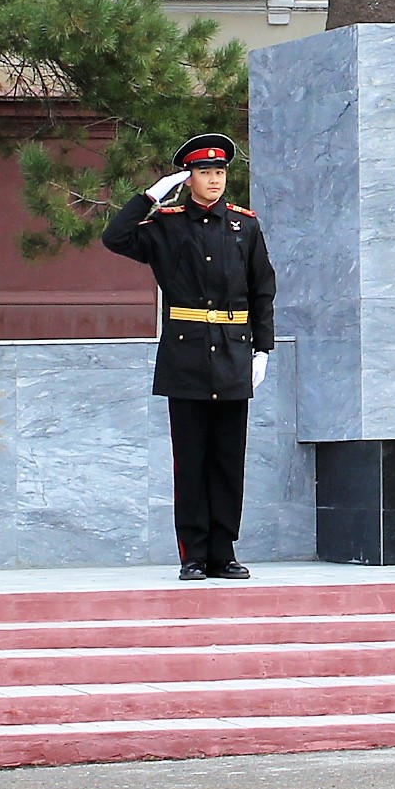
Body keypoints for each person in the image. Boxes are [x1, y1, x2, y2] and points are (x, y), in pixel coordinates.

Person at [105, 133, 277, 578]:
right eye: (204, 173)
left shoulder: (244, 226)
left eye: (219, 172)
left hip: (234, 356)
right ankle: (194, 554)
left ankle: (224, 552)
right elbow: (115, 237)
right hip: (187, 358)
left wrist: (263, 349)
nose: (214, 180)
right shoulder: (168, 225)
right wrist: (150, 197)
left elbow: (262, 290)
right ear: (189, 179)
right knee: (192, 461)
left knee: (227, 461)